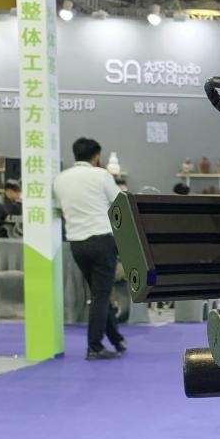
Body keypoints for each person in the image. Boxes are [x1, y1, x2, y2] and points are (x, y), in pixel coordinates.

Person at [52, 137, 126, 360]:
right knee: (101, 295)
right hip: (102, 240)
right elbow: (119, 203)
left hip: (77, 244)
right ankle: (94, 346)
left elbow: (58, 209)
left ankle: (116, 339)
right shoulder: (101, 175)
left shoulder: (60, 179)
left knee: (98, 292)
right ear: (97, 156)